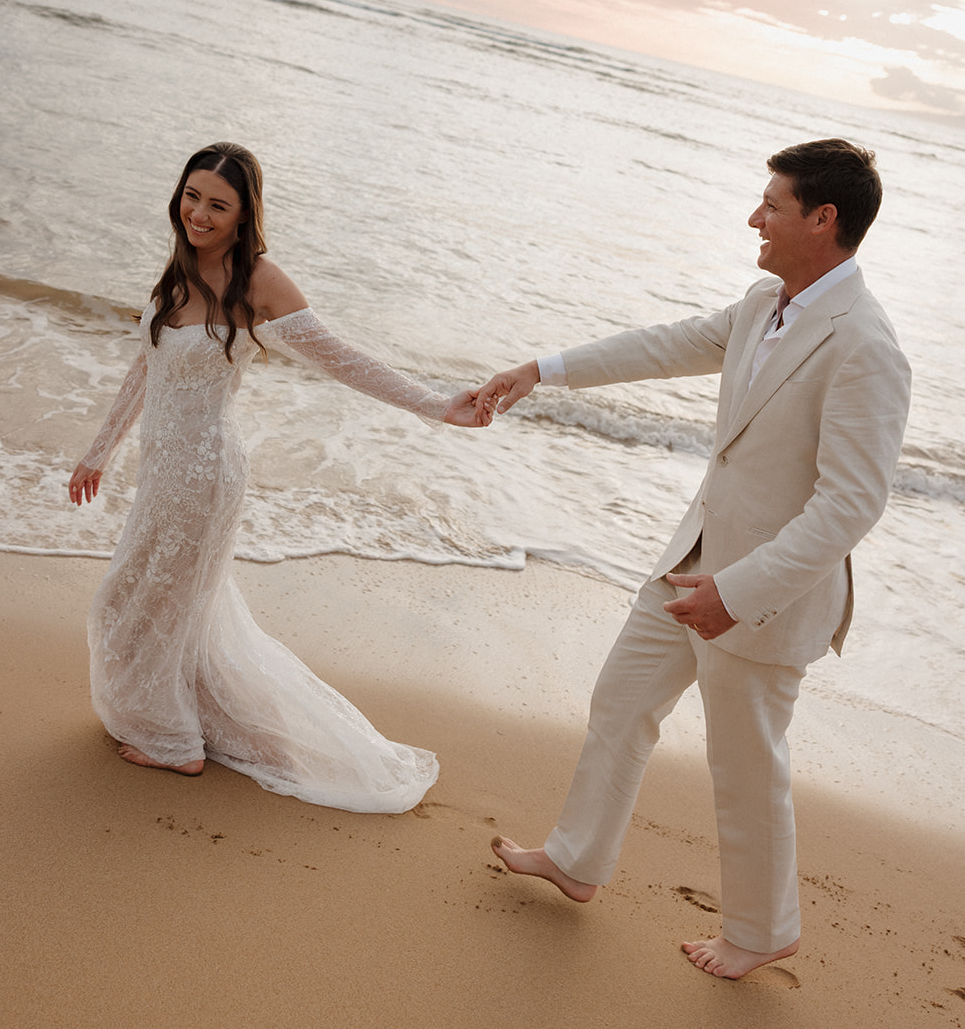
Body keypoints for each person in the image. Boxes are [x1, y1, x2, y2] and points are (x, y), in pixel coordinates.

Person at [476, 138, 911, 977]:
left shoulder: (865, 345)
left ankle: (759, 931)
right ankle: (575, 858)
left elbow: (851, 504)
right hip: (691, 558)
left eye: (772, 205)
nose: (756, 216)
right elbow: (665, 344)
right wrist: (541, 369)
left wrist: (738, 592)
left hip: (763, 594)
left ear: (822, 219)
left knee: (745, 767)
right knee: (620, 701)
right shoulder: (763, 300)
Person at [69, 141, 490, 813]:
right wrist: (98, 452)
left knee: (144, 604)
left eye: (217, 204)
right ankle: (186, 722)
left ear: (244, 214)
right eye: (191, 196)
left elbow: (340, 359)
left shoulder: (258, 280)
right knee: (152, 607)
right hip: (161, 475)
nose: (199, 213)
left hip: (204, 480)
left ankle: (175, 743)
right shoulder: (178, 269)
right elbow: (143, 367)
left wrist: (437, 407)